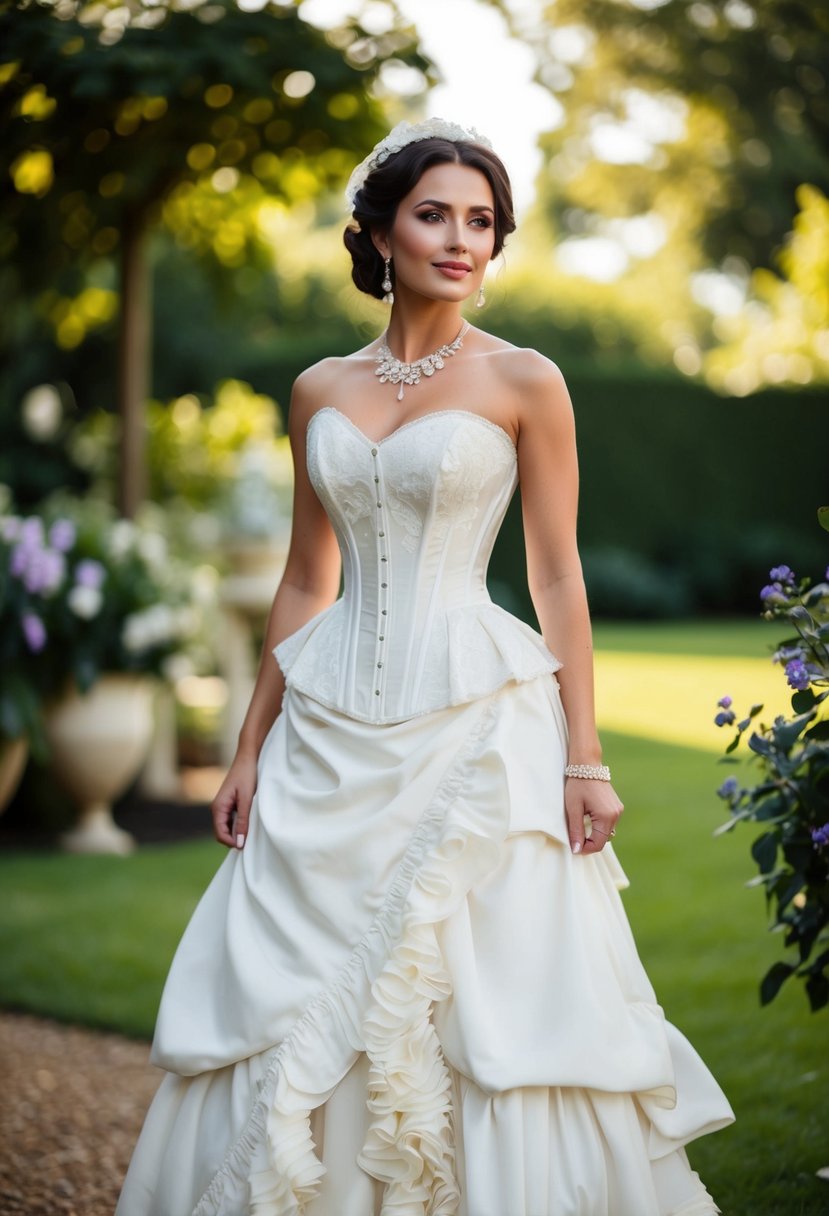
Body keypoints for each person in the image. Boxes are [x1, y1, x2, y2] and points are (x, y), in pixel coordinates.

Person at [116, 118, 734, 1216]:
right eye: (436, 213)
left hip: (477, 717)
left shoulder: (527, 381)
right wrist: (247, 744)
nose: (462, 239)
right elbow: (307, 583)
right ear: (381, 231)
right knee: (295, 990)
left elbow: (554, 579)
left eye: (483, 221)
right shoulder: (316, 390)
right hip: (326, 725)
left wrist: (582, 758)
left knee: (482, 994)